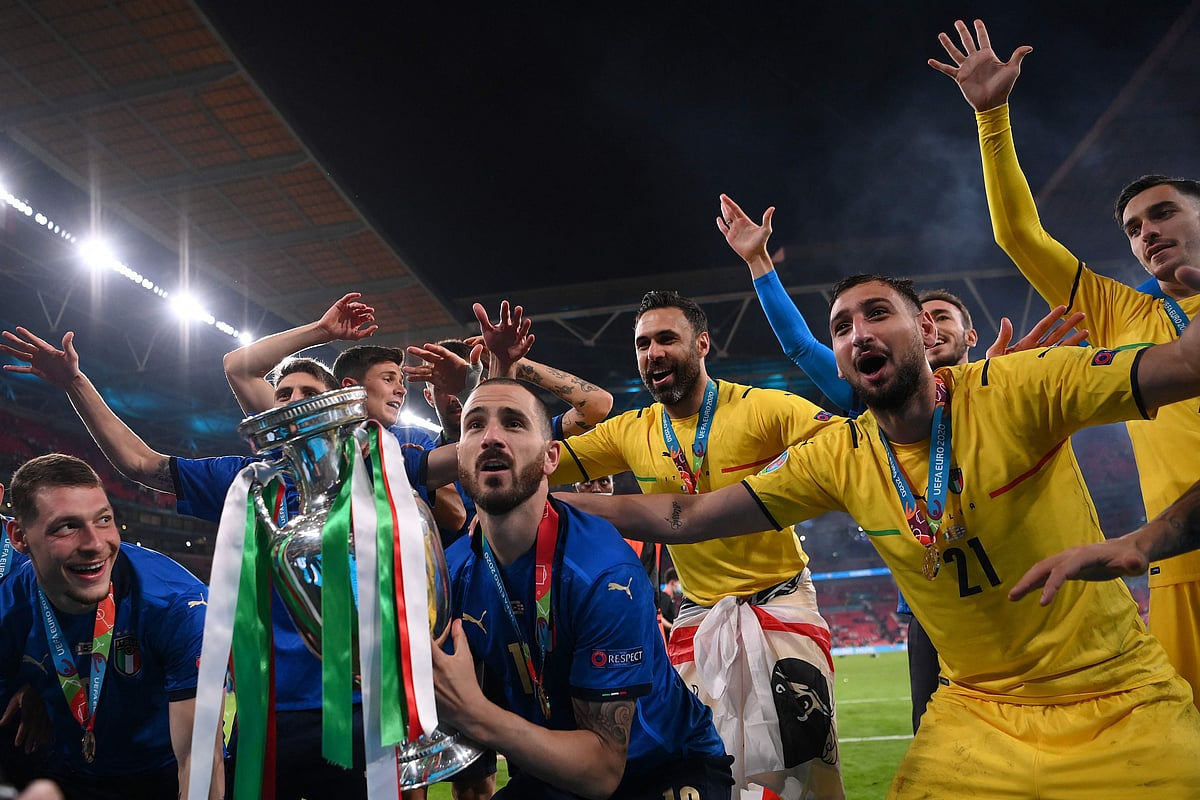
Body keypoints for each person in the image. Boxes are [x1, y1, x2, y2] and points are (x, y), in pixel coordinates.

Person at [561, 272, 1200, 798]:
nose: (858, 333)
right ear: (836, 359)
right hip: (976, 711)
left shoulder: (1021, 385)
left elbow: (1187, 364)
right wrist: (538, 501)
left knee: (807, 770)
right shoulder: (841, 454)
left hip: (1120, 699)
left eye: (876, 314)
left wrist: (1145, 541)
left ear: (927, 331)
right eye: (841, 327)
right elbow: (685, 518)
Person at [718, 192, 1086, 733]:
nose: (928, 325)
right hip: (933, 608)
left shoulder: (1004, 392)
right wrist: (760, 265)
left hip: (1034, 594)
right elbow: (800, 345)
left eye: (941, 317)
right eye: (923, 314)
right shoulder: (871, 399)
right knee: (935, 732)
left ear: (957, 335)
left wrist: (1007, 383)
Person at [930, 17, 1200, 703]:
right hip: (1178, 554)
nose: (1147, 234)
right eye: (1134, 228)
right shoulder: (1125, 313)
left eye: (1163, 214)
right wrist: (992, 117)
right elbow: (1017, 233)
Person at [0, 328, 369, 799]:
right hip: (268, 709)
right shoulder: (243, 481)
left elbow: (470, 472)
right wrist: (75, 382)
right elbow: (140, 463)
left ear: (334, 405)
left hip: (359, 700)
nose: (292, 404)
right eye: (283, 395)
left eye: (308, 395)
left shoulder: (382, 477)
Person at [544, 290, 846, 798]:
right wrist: (505, 373)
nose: (653, 353)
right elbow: (538, 467)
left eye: (667, 338)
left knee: (803, 776)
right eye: (642, 344)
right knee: (701, 774)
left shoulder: (762, 409)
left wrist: (771, 481)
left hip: (781, 605)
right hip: (698, 620)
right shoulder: (628, 432)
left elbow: (843, 442)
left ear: (702, 343)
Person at [431, 378, 733, 800]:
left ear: (552, 457)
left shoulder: (604, 574)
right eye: (475, 426)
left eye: (514, 424)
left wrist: (474, 714)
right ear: (458, 455)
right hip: (553, 770)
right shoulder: (455, 572)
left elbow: (603, 771)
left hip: (659, 769)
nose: (492, 438)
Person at [0, 454, 222, 800]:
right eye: (66, 526)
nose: (94, 544)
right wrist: (27, 684)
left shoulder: (178, 605)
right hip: (65, 774)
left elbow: (198, 760)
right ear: (19, 536)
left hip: (161, 779)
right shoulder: (8, 603)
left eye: (104, 520)